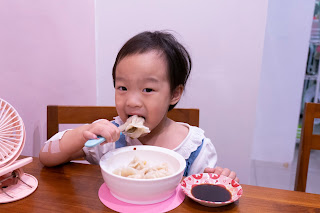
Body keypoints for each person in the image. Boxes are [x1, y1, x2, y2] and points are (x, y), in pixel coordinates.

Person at [39, 31, 239, 182]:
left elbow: (205, 189)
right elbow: (46, 156)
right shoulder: (109, 139)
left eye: (148, 89)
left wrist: (219, 179)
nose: (132, 101)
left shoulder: (194, 148)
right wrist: (85, 132)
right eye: (123, 87)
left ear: (174, 94)